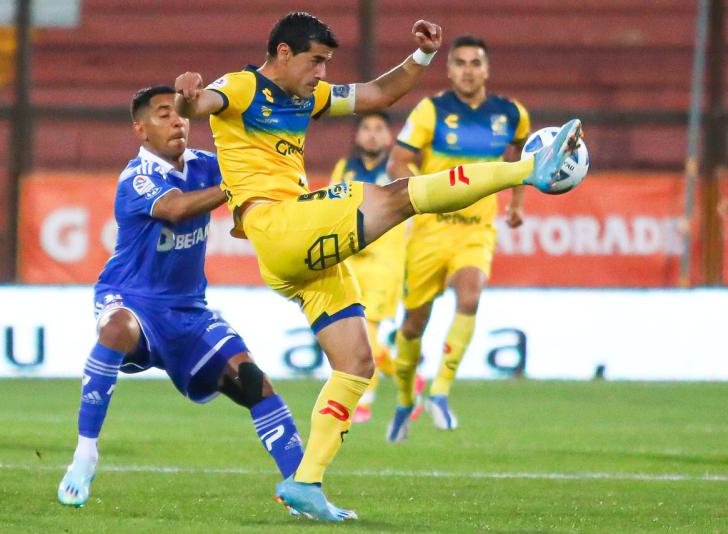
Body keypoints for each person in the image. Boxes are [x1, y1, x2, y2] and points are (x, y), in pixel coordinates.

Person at [174, 11, 581, 521]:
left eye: (326, 62)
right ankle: (529, 169)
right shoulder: (241, 85)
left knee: (357, 364)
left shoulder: (310, 96)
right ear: (283, 53)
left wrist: (423, 56)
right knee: (400, 196)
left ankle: (306, 482)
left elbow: (377, 94)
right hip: (276, 223)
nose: (322, 72)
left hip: (295, 252)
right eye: (315, 61)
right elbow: (203, 101)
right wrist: (189, 94)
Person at [57, 86, 305, 508]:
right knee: (116, 329)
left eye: (181, 115)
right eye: (163, 115)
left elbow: (253, 179)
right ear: (140, 128)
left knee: (254, 383)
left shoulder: (206, 166)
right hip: (132, 299)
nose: (177, 122)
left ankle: (304, 485)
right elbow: (177, 209)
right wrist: (240, 188)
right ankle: (85, 453)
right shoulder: (136, 178)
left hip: (189, 311)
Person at [385, 35, 531, 440]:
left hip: (476, 230)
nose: (468, 70)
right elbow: (398, 161)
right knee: (413, 325)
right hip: (431, 230)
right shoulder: (431, 110)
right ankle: (402, 399)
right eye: (461, 63)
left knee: (470, 295)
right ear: (449, 70)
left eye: (475, 63)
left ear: (486, 70)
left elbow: (520, 159)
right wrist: (429, 193)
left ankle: (441, 391)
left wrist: (516, 204)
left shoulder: (511, 114)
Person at [329, 112, 423, 424]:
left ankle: (364, 401)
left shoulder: (400, 170)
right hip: (350, 260)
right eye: (366, 128)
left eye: (379, 129)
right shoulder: (345, 169)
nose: (372, 134)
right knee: (354, 333)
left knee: (367, 331)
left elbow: (416, 215)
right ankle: (406, 374)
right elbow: (329, 208)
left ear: (388, 138)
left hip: (386, 261)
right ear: (357, 137)